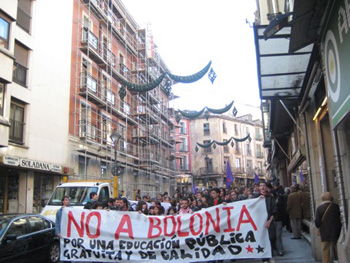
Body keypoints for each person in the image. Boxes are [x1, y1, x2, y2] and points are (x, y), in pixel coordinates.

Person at [315, 192, 341, 263]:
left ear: (322, 199)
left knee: (325, 249)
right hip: (336, 230)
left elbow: (317, 222)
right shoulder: (336, 206)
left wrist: (319, 226)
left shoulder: (319, 208)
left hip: (325, 231)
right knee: (337, 247)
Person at [258, 181, 277, 263]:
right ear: (259, 187)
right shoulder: (255, 198)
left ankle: (270, 256)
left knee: (271, 238)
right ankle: (264, 258)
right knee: (262, 240)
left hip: (269, 222)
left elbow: (274, 211)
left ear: (266, 188)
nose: (262, 187)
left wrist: (269, 221)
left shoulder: (270, 198)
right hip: (259, 223)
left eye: (264, 186)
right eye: (261, 185)